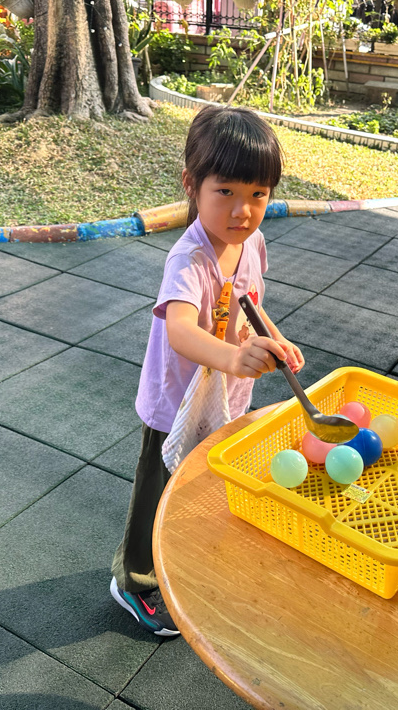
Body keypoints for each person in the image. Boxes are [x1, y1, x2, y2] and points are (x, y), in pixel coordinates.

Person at [110, 106, 306, 637]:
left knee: (200, 481)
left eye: (258, 194)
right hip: (174, 402)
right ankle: (135, 579)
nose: (243, 210)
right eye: (225, 192)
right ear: (191, 186)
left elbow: (249, 303)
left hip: (223, 394)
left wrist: (274, 336)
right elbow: (179, 329)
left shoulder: (251, 243)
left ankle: (180, 557)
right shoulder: (189, 259)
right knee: (157, 488)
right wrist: (233, 357)